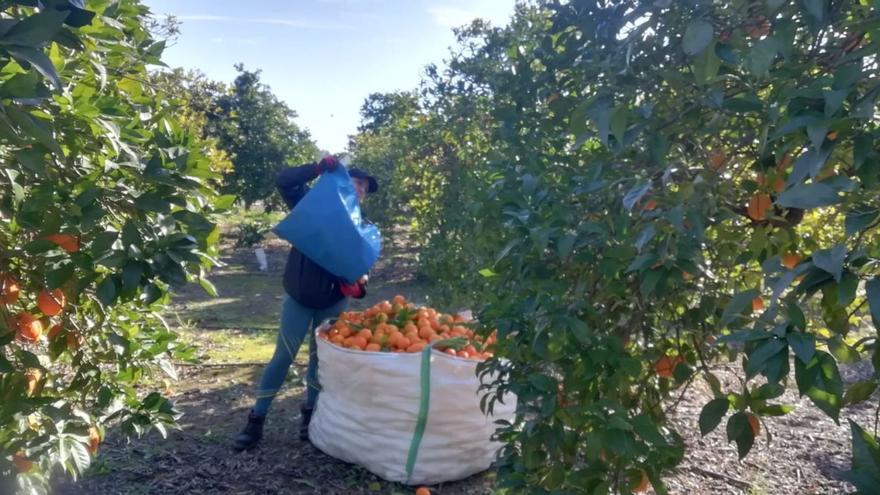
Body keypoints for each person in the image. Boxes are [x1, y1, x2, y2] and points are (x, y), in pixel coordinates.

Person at [233, 155, 379, 450]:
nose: (361, 190)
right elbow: (284, 181)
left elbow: (363, 270)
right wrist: (316, 168)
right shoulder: (314, 208)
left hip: (333, 303)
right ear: (342, 183)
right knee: (283, 357)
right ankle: (255, 421)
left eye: (364, 188)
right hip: (299, 297)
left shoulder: (364, 229)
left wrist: (359, 287)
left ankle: (309, 421)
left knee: (319, 360)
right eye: (357, 183)